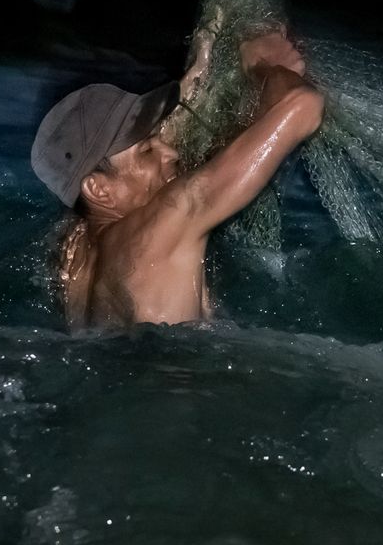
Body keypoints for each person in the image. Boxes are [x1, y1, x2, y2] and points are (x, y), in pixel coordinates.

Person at [30, 25, 323, 330]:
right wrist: (264, 66)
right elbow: (302, 107)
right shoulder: (169, 219)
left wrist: (194, 75)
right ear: (99, 189)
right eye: (147, 151)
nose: (170, 153)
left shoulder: (71, 249)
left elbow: (158, 149)